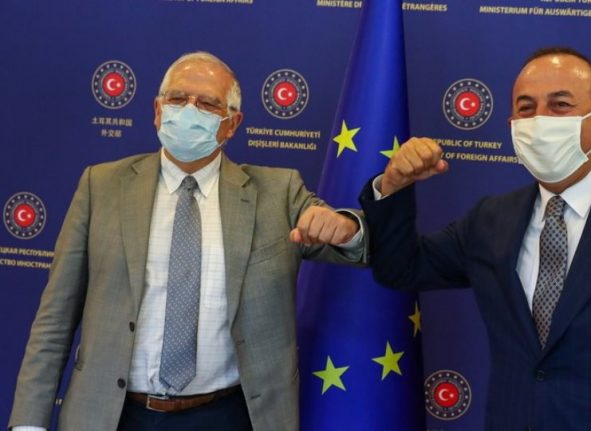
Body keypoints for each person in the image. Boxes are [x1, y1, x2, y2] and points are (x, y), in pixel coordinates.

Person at [359, 47, 591, 430]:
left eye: (560, 105)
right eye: (526, 108)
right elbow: (400, 268)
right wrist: (392, 186)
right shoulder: (492, 219)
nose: (540, 120)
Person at [9, 51, 366, 431]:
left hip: (228, 416)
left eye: (208, 103)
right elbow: (55, 317)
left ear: (232, 124)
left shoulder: (279, 193)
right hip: (112, 415)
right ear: (157, 110)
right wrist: (28, 424)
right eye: (178, 98)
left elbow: (356, 245)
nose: (189, 111)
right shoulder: (101, 186)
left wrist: (347, 227)